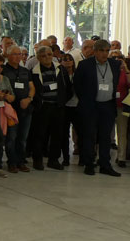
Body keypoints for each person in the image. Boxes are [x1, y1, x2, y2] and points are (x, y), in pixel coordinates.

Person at [74, 39, 122, 177]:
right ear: (95, 52)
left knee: (106, 137)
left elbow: (116, 82)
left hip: (108, 105)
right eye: (101, 51)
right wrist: (86, 100)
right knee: (89, 136)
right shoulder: (85, 65)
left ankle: (105, 165)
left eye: (107, 51)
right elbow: (77, 85)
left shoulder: (114, 64)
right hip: (91, 105)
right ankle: (89, 164)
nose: (104, 54)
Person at [30, 45, 69, 170]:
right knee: (39, 134)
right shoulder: (34, 72)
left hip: (58, 106)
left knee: (57, 134)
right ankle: (37, 160)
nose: (47, 58)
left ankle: (54, 160)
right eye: (43, 56)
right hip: (43, 107)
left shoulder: (60, 69)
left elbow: (68, 87)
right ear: (38, 58)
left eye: (49, 55)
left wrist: (62, 101)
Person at [2, 45, 35, 173]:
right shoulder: (3, 70)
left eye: (19, 54)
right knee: (11, 138)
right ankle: (12, 163)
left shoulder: (25, 71)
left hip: (25, 109)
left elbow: (32, 87)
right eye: (14, 54)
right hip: (10, 109)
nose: (18, 56)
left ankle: (21, 161)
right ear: (8, 55)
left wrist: (29, 99)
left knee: (22, 138)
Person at [59, 53, 78, 166]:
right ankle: (66, 158)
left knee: (80, 132)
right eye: (64, 59)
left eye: (70, 59)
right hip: (64, 107)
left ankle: (82, 157)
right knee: (64, 134)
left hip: (77, 106)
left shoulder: (78, 74)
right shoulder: (59, 74)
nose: (67, 61)